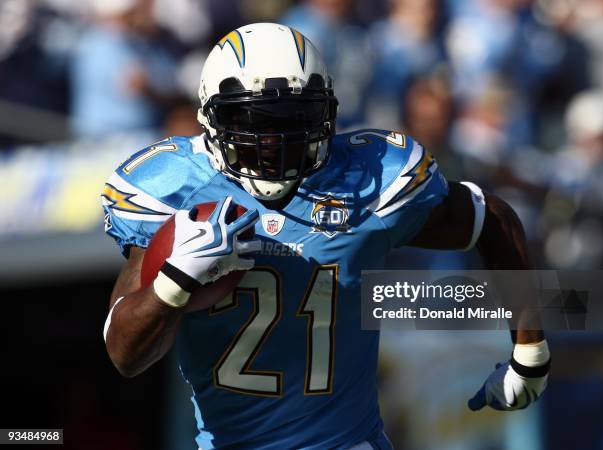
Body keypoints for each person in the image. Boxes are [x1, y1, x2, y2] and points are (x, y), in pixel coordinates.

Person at [102, 23, 551, 450]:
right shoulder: (175, 189)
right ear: (211, 117)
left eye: (294, 118)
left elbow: (490, 217)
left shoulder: (368, 179)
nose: (272, 141)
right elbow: (126, 355)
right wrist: (173, 283)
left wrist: (530, 352)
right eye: (254, 119)